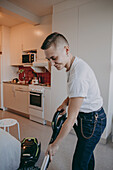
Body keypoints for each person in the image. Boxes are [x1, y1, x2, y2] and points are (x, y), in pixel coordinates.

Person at [41, 32, 106, 170]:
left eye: (53, 58)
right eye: (48, 59)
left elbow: (71, 119)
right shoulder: (73, 65)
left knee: (79, 163)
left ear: (66, 50)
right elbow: (76, 94)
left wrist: (55, 144)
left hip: (92, 121)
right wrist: (65, 103)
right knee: (87, 154)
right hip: (89, 118)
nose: (51, 64)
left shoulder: (78, 75)